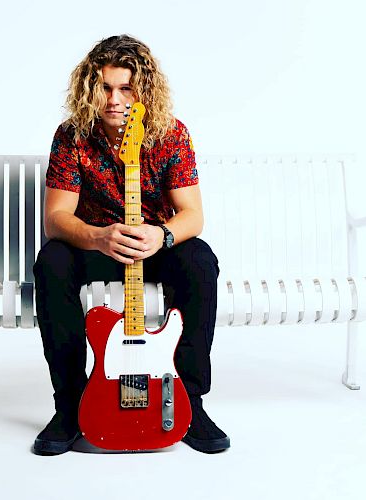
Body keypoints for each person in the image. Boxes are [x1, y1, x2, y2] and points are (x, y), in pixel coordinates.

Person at [32, 34, 230, 456]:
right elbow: (56, 218)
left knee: (200, 261)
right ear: (90, 87)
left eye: (126, 87)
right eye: (105, 87)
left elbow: (192, 215)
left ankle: (188, 401)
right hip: (98, 246)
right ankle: (69, 407)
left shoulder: (171, 135)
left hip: (154, 247)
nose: (115, 99)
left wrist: (163, 235)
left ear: (144, 90)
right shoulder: (71, 137)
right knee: (52, 262)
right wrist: (99, 237)